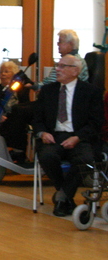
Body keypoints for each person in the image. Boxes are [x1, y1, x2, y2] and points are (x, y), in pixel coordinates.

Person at [32, 54, 103, 217]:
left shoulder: (90, 92)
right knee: (47, 157)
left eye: (63, 66)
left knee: (85, 159)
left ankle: (62, 197)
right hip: (53, 137)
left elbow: (95, 122)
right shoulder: (47, 91)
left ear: (75, 71)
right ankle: (66, 197)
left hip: (79, 137)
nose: (57, 69)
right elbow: (37, 119)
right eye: (58, 65)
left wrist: (77, 137)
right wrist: (42, 133)